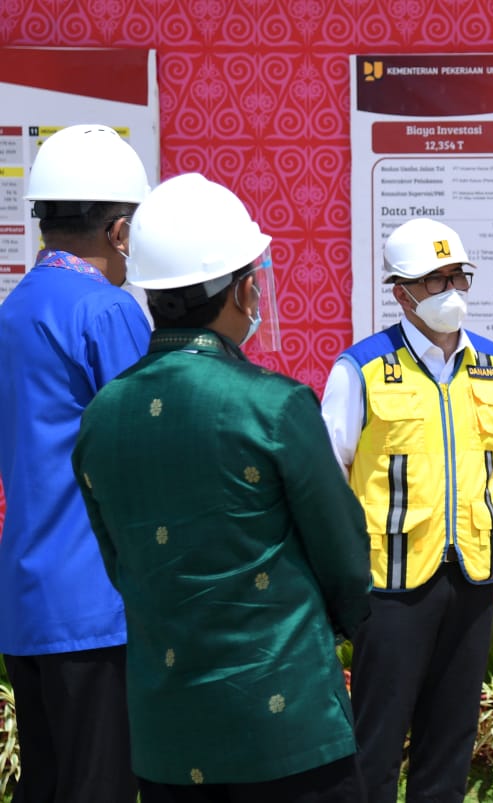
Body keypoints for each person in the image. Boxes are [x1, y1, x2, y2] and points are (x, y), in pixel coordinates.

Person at [70, 172, 372, 803]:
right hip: (287, 727)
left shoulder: (101, 416)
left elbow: (122, 565)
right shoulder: (277, 407)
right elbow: (344, 558)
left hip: (167, 734)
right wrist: (347, 626)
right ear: (242, 289)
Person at [321, 216, 493, 802]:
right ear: (400, 292)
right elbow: (332, 472)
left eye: (459, 276)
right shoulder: (362, 369)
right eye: (434, 281)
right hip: (392, 582)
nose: (450, 291)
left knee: (450, 740)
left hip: (472, 574)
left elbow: (492, 462)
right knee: (376, 742)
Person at [0, 124, 151, 802]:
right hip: (98, 602)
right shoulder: (106, 308)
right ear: (120, 231)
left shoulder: (13, 308)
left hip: (28, 602)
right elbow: (147, 449)